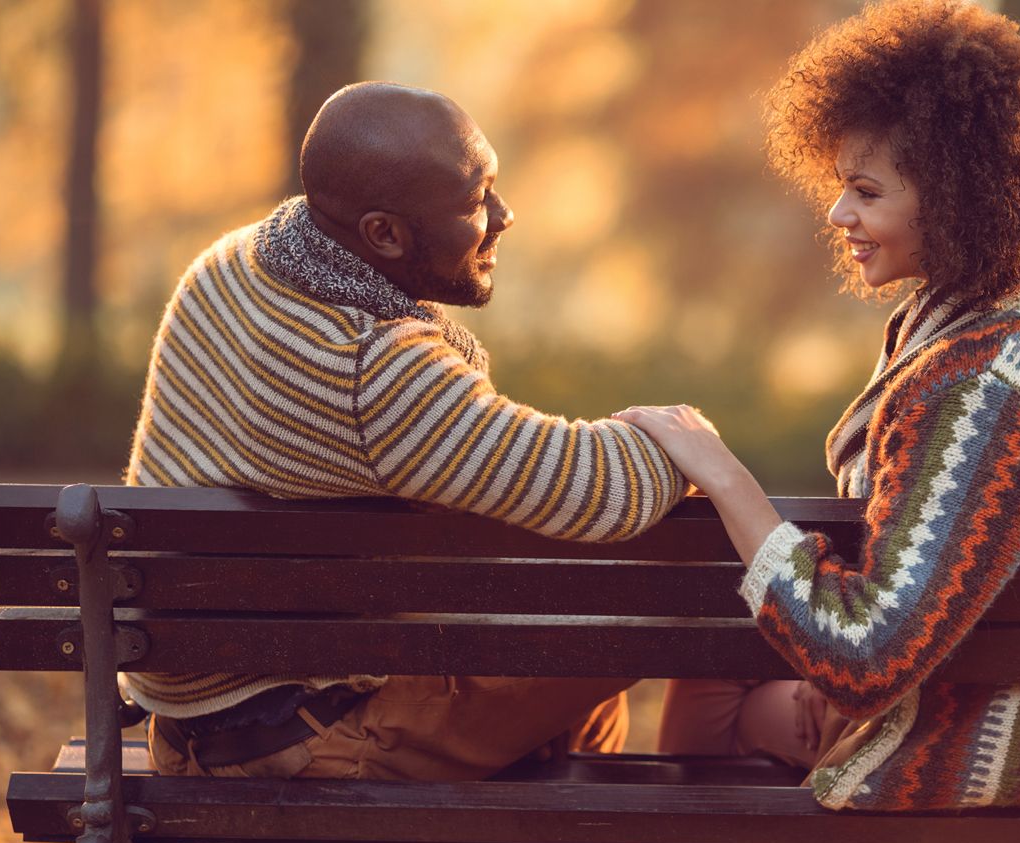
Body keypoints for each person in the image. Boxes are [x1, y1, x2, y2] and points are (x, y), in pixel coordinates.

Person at [618, 0, 1020, 811]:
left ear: (959, 195)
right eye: (840, 187)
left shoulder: (986, 387)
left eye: (866, 191)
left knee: (707, 701)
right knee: (719, 662)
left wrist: (724, 479)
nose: (839, 215)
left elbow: (864, 659)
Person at [123, 81, 688, 783]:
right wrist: (692, 443)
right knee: (638, 620)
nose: (505, 215)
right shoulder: (372, 371)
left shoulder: (233, 265)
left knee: (562, 658)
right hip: (298, 738)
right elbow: (600, 491)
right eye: (477, 201)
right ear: (383, 234)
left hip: (193, 717)